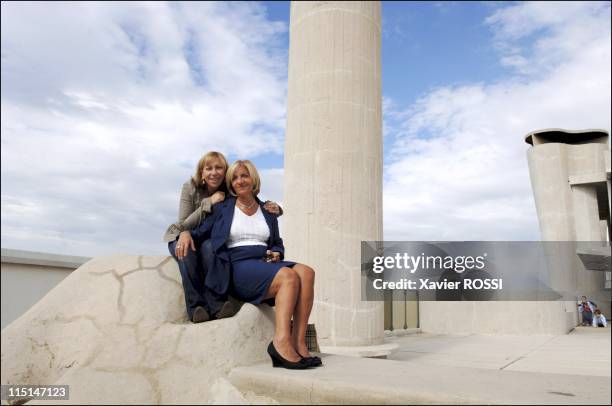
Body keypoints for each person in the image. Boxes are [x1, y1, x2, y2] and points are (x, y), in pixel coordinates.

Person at [180, 160, 321, 369]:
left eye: (244, 175)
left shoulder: (268, 210)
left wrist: (277, 253)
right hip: (237, 265)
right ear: (231, 183)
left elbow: (277, 243)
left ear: (253, 178)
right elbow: (200, 231)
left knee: (307, 272)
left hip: (264, 262)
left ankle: (299, 343)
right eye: (235, 178)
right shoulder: (223, 208)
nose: (239, 181)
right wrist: (184, 233)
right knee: (288, 276)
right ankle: (280, 343)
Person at [164, 152, 281, 323]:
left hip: (207, 238)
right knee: (187, 253)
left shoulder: (229, 190)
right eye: (208, 168)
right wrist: (209, 202)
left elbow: (252, 200)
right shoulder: (190, 187)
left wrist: (277, 208)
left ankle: (217, 305)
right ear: (201, 172)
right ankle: (196, 307)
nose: (214, 172)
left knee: (213, 249)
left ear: (225, 171)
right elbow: (183, 224)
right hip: (183, 234)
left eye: (219, 168)